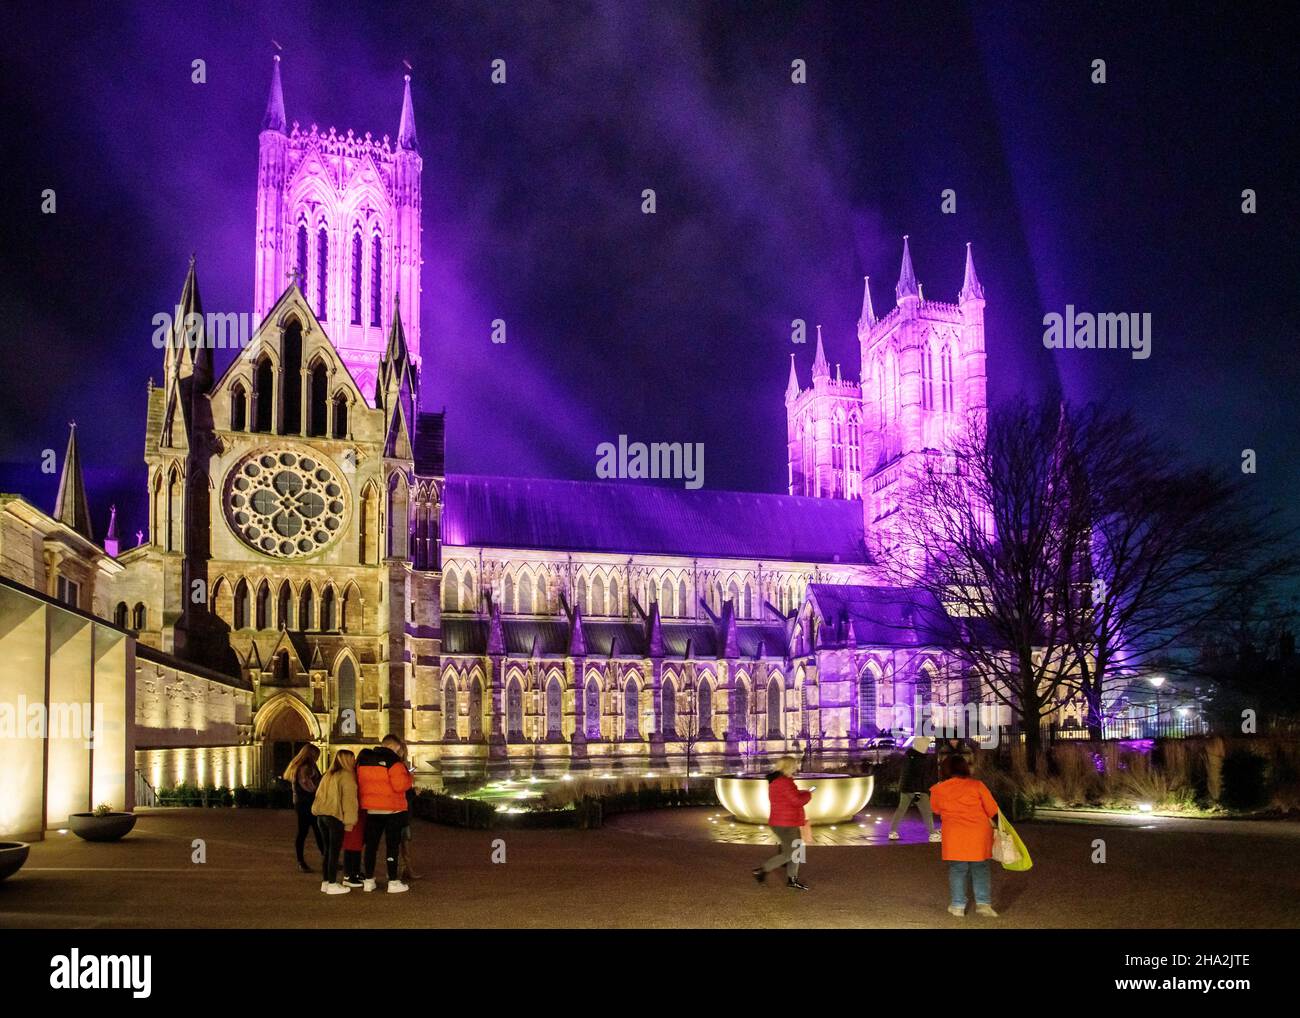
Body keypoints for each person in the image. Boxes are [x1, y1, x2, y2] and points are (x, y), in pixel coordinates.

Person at [929, 754, 1000, 917]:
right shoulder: (977, 785)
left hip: (955, 834)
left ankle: (958, 905)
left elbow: (936, 809)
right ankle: (983, 904)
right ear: (964, 768)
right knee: (980, 868)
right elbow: (992, 809)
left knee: (958, 869)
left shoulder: (938, 789)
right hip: (978, 833)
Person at [356, 734, 414, 893]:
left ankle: (368, 880)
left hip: (372, 809)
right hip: (392, 810)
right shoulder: (394, 761)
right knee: (392, 846)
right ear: (393, 747)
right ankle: (393, 882)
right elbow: (400, 786)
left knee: (371, 846)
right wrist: (409, 777)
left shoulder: (364, 759)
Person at [752, 756, 813, 891]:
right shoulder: (784, 782)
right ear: (788, 766)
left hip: (787, 821)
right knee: (792, 853)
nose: (796, 767)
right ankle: (762, 870)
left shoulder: (779, 781)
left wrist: (803, 792)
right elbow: (797, 801)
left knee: (797, 850)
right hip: (785, 823)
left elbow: (791, 796)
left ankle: (792, 879)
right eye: (794, 765)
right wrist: (808, 795)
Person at [311, 749, 359, 894]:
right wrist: (350, 822)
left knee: (327, 851)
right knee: (334, 851)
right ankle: (332, 883)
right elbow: (349, 802)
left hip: (321, 816)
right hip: (335, 817)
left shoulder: (328, 775)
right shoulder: (347, 777)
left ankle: (326, 881)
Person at [888, 735, 940, 842]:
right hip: (918, 789)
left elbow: (906, 774)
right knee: (926, 811)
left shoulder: (908, 756)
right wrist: (917, 791)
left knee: (901, 810)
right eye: (926, 745)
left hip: (905, 788)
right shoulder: (920, 759)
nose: (927, 747)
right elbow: (917, 776)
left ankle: (892, 831)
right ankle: (932, 834)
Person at [283, 743, 323, 873]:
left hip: (302, 803)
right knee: (312, 831)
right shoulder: (306, 768)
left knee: (308, 832)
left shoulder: (299, 766)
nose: (317, 758)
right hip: (307, 803)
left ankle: (306, 860)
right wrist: (321, 790)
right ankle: (304, 861)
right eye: (316, 755)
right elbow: (308, 786)